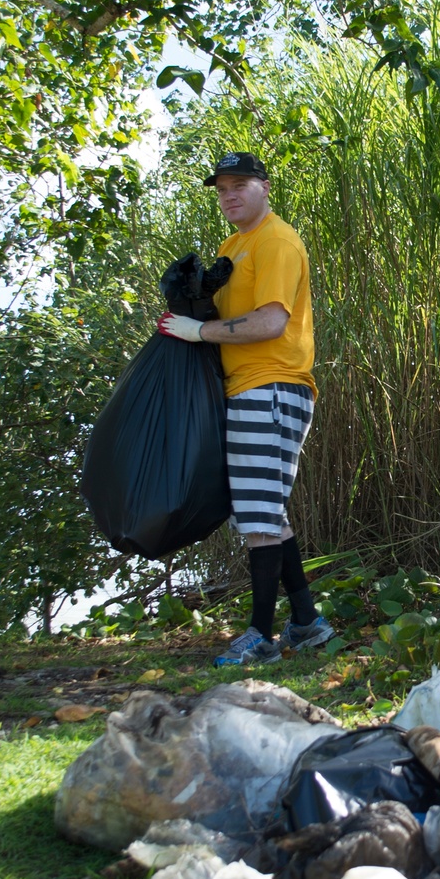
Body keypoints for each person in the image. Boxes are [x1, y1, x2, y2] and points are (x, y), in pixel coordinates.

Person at [157, 150, 334, 665]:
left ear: (265, 187)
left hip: (274, 384)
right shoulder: (234, 245)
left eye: (240, 184)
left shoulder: (277, 240)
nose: (229, 195)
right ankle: (306, 621)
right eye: (221, 188)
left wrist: (200, 330)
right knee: (264, 509)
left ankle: (261, 635)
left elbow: (270, 323)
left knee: (258, 515)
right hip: (245, 387)